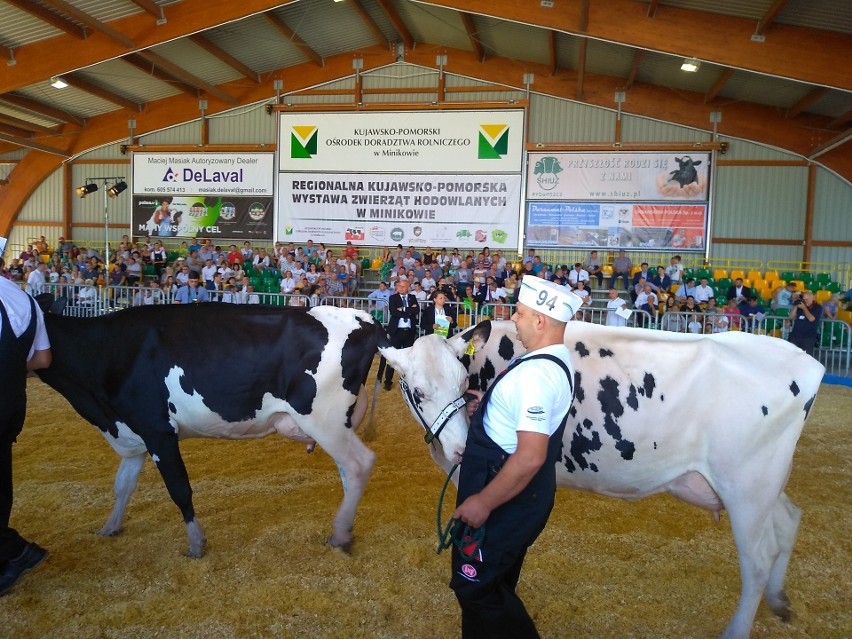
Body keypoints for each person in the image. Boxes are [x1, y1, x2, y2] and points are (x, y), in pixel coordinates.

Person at [451, 277, 580, 639]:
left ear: (540, 321)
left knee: (475, 587)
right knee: (496, 579)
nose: (514, 319)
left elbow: (529, 457)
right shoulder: (548, 360)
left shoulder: (537, 375)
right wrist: (490, 409)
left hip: (503, 500)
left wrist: (482, 502)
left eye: (520, 313)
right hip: (524, 497)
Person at [0, 245, 52, 596]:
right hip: (11, 404)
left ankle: (14, 552)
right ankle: (13, 552)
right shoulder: (24, 299)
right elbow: (43, 359)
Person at [378, 278, 419, 390]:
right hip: (396, 332)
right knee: (392, 357)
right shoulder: (393, 298)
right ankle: (388, 381)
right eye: (399, 286)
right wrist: (409, 312)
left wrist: (404, 309)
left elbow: (417, 311)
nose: (401, 288)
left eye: (403, 286)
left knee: (409, 357)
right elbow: (394, 311)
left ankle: (408, 380)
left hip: (409, 332)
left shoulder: (412, 297)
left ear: (408, 287)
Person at [788, 291, 822, 356]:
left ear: (813, 298)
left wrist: (804, 308)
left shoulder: (817, 307)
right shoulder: (800, 307)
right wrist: (796, 305)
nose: (805, 301)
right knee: (792, 356)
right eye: (804, 300)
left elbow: (811, 319)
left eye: (807, 299)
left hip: (808, 337)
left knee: (807, 357)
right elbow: (791, 316)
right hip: (795, 335)